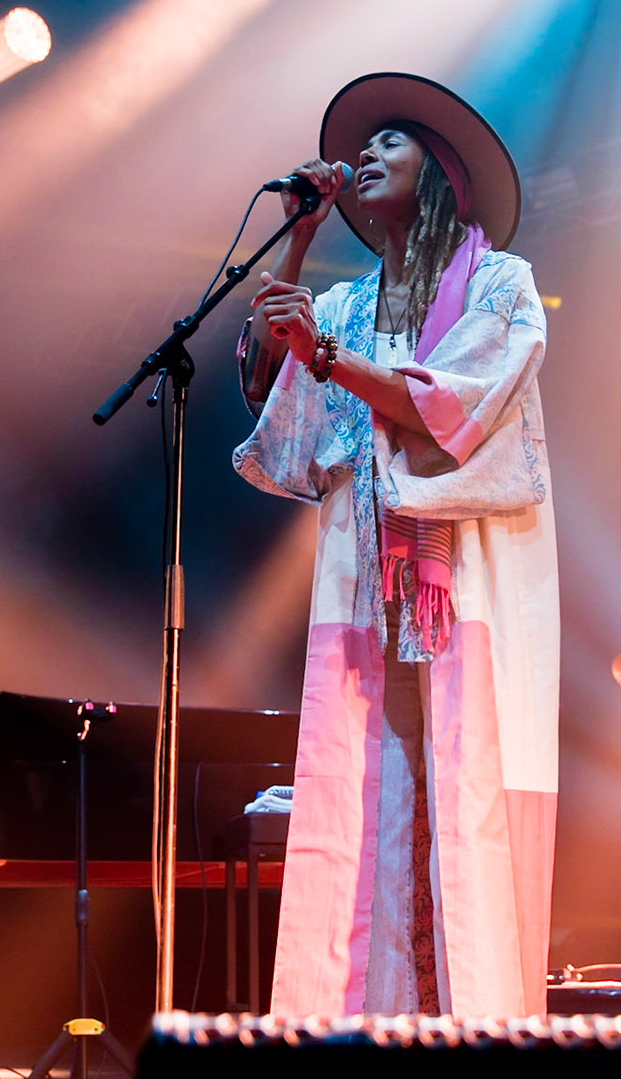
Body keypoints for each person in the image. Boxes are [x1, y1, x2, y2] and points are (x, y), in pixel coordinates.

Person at [232, 73, 559, 1017]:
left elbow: (445, 412)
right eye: (362, 146)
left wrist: (328, 358)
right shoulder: (343, 303)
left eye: (391, 144)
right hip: (367, 589)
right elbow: (278, 415)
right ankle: (370, 1023)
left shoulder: (501, 284)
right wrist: (298, 235)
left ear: (441, 171)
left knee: (466, 809)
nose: (367, 154)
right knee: (372, 811)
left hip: (467, 584)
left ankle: (479, 1021)